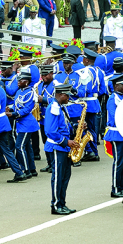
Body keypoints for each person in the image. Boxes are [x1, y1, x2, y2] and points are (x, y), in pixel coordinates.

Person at [45, 83, 77, 214]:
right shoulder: (53, 107)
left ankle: (62, 203)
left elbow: (63, 125)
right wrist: (66, 142)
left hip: (62, 147)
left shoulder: (59, 107)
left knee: (65, 176)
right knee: (58, 177)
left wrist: (77, 126)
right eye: (67, 95)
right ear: (61, 95)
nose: (69, 98)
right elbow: (51, 131)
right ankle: (56, 205)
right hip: (57, 146)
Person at [104, 74, 123, 198]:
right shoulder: (112, 99)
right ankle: (115, 188)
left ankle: (120, 186)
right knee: (119, 161)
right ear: (116, 86)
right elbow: (115, 118)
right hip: (116, 133)